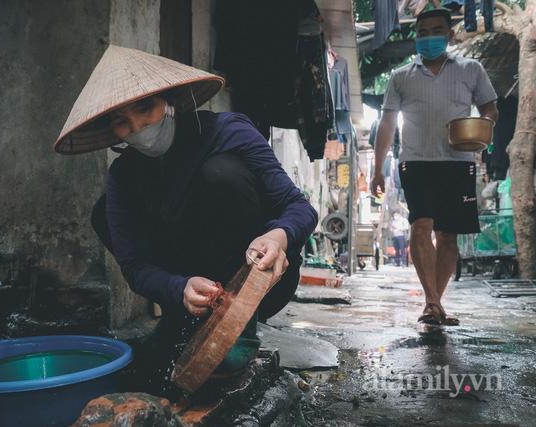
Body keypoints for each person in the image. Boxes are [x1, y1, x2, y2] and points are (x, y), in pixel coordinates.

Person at [54, 45, 317, 394]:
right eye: (121, 121)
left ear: (169, 100)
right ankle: (181, 319)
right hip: (189, 283)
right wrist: (177, 289)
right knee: (103, 213)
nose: (137, 127)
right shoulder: (123, 176)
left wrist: (278, 237)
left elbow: (299, 208)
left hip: (257, 275)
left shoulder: (228, 131)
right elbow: (134, 265)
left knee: (220, 173)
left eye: (144, 108)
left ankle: (241, 327)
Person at [370, 9, 498, 325]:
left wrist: (480, 130)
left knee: (448, 236)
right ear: (416, 37)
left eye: (436, 30)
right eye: (423, 32)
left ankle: (436, 303)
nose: (429, 37)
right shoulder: (401, 76)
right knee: (421, 225)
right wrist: (377, 168)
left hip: (458, 163)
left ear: (450, 34)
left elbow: (490, 108)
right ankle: (430, 301)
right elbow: (387, 124)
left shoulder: (472, 70)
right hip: (415, 162)